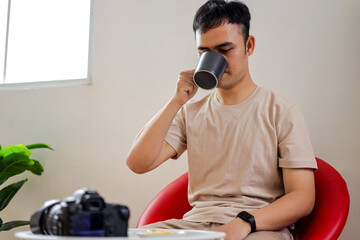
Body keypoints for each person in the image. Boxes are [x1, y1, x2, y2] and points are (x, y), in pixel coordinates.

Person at [126, 1, 317, 239]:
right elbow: (138, 163)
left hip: (257, 227)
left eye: (225, 50)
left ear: (249, 46)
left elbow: (303, 197)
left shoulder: (282, 111)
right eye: (204, 53)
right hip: (196, 225)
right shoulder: (191, 113)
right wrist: (176, 101)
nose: (215, 60)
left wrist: (246, 222)